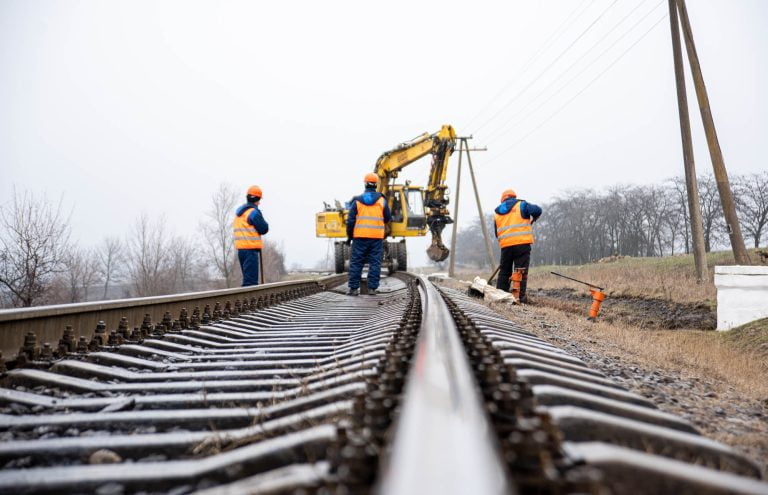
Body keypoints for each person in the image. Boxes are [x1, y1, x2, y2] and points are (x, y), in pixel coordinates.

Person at [346, 173, 392, 296]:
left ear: (365, 184)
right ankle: (372, 289)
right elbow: (388, 218)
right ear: (376, 185)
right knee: (375, 262)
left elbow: (350, 221)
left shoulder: (357, 201)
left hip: (360, 236)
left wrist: (349, 236)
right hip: (376, 237)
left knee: (356, 262)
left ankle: (354, 289)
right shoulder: (382, 201)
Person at [494, 189, 542, 302]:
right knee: (521, 271)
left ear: (503, 199)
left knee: (504, 271)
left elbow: (496, 233)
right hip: (522, 244)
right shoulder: (522, 205)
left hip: (506, 246)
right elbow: (537, 210)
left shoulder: (497, 212)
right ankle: (519, 297)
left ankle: (501, 296)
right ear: (514, 197)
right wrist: (533, 217)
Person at [233, 185, 269, 286]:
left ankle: (245, 300)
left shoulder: (239, 213)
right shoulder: (253, 213)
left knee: (247, 280)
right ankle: (247, 301)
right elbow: (264, 228)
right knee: (251, 283)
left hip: (241, 251)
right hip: (250, 251)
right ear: (257, 199)